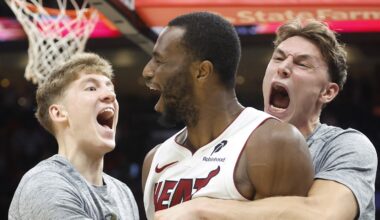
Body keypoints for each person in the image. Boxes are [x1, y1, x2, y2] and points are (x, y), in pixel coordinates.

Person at [152, 19, 378, 220]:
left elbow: (322, 214)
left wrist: (201, 209)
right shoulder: (231, 140)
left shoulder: (345, 146)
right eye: (278, 58)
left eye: (302, 63)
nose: (284, 68)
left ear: (327, 92)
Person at [141, 12, 315, 220]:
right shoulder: (154, 160)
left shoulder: (273, 142)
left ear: (202, 72)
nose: (147, 71)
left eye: (159, 61)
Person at [8, 53, 139, 220]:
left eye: (111, 89)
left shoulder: (123, 192)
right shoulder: (44, 184)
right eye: (91, 88)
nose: (110, 95)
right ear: (59, 113)